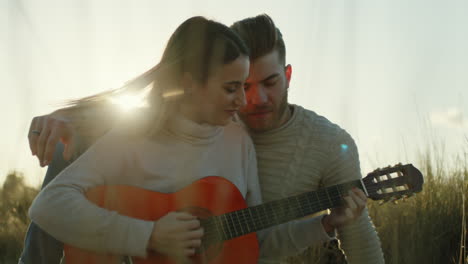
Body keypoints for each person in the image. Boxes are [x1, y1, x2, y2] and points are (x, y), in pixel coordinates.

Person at [21, 15, 372, 264]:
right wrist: (147, 235)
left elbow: (256, 244)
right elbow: (48, 206)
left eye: (255, 85)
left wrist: (325, 224)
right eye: (233, 88)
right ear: (190, 83)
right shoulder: (133, 135)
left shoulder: (238, 141)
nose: (244, 102)